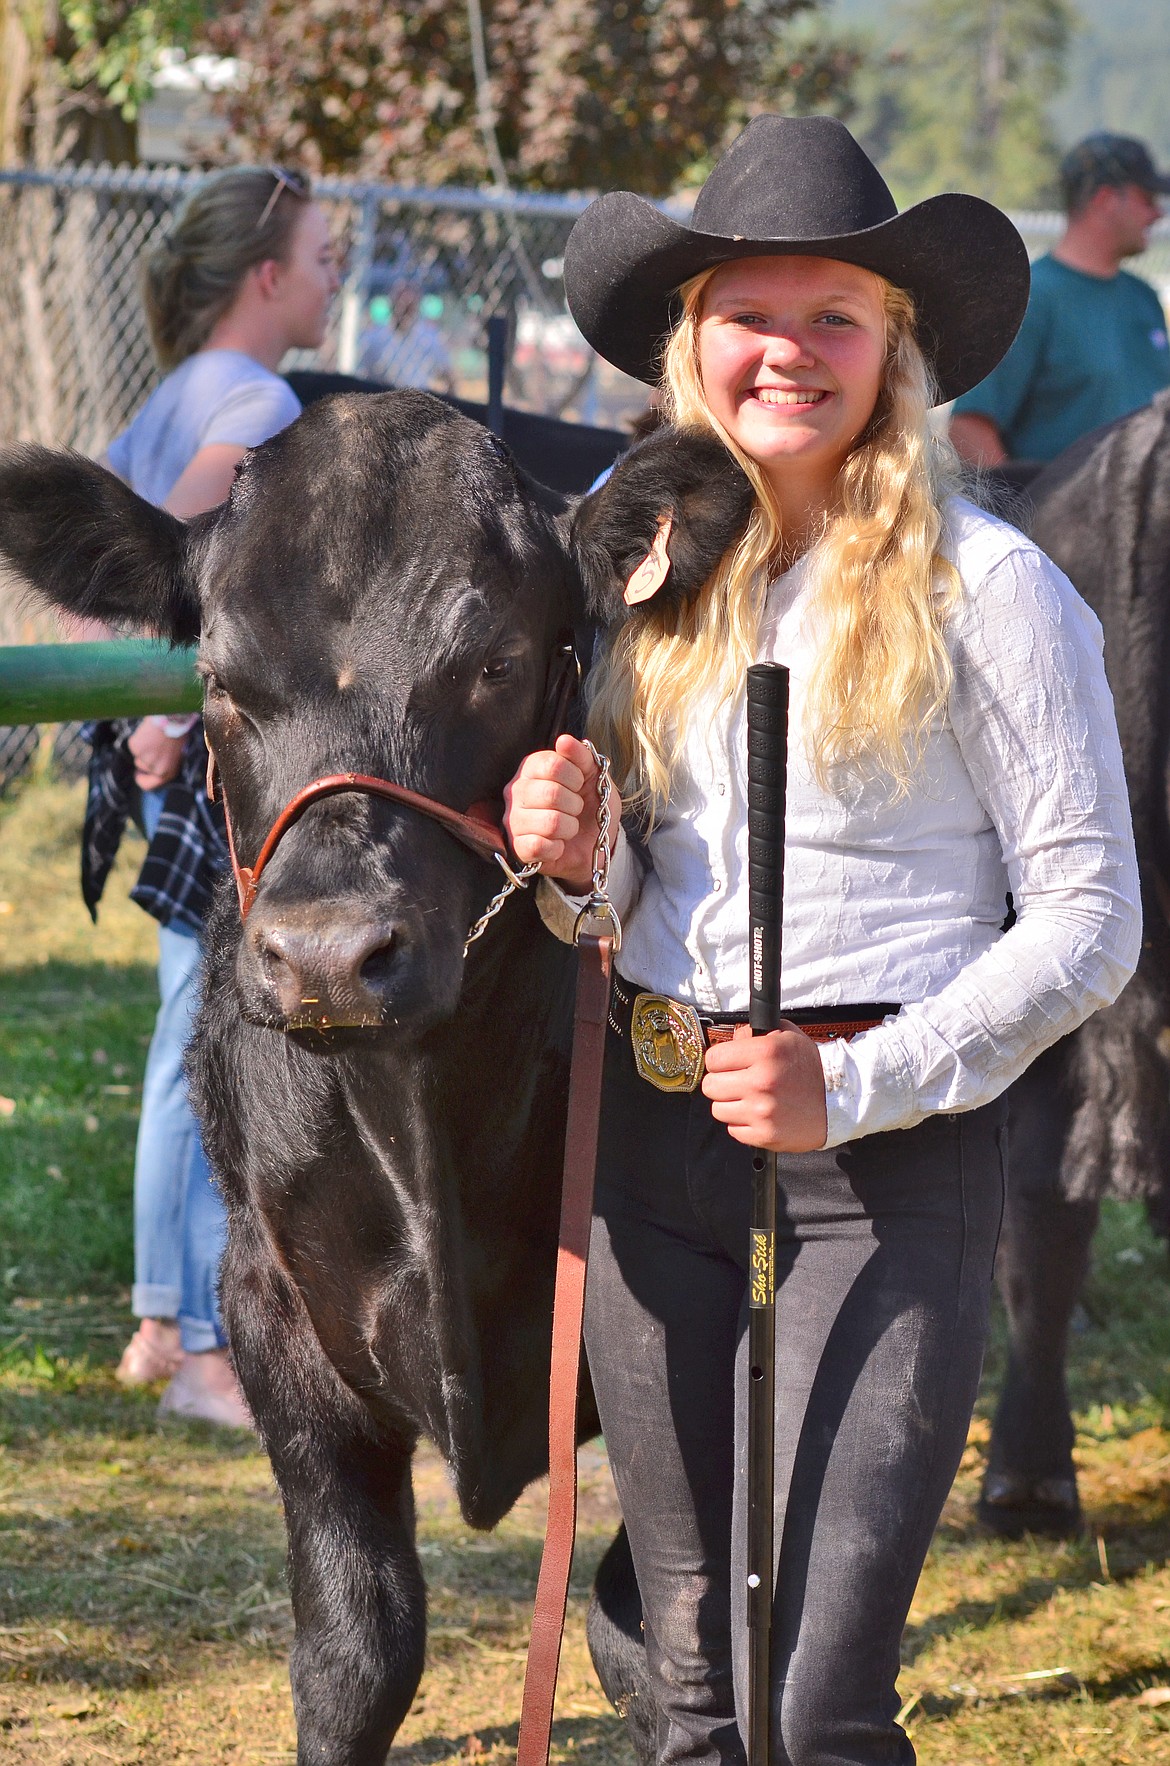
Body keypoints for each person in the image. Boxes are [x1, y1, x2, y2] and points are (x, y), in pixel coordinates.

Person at [503, 115, 1141, 1764]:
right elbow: (641, 900)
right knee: (690, 1691)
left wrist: (854, 1090)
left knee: (819, 1699)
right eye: (748, 315)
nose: (787, 351)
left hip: (891, 1161)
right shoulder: (646, 574)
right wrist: (579, 870)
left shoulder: (991, 588)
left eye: (833, 317)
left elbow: (1090, 920)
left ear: (894, 350)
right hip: (657, 1145)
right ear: (692, 343)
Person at [94, 165, 339, 1424]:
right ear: (265, 276)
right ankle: (202, 1346)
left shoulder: (175, 389)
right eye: (321, 253)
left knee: (173, 1026)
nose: (333, 273)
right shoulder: (255, 395)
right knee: (209, 1038)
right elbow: (181, 541)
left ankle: (155, 1320)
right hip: (193, 752)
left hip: (152, 748)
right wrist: (164, 703)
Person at [950, 132, 1170, 468]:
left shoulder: (1144, 298)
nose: (1157, 214)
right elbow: (969, 431)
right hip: (1067, 518)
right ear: (1106, 198)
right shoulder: (1028, 297)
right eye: (1147, 199)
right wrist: (1026, 514)